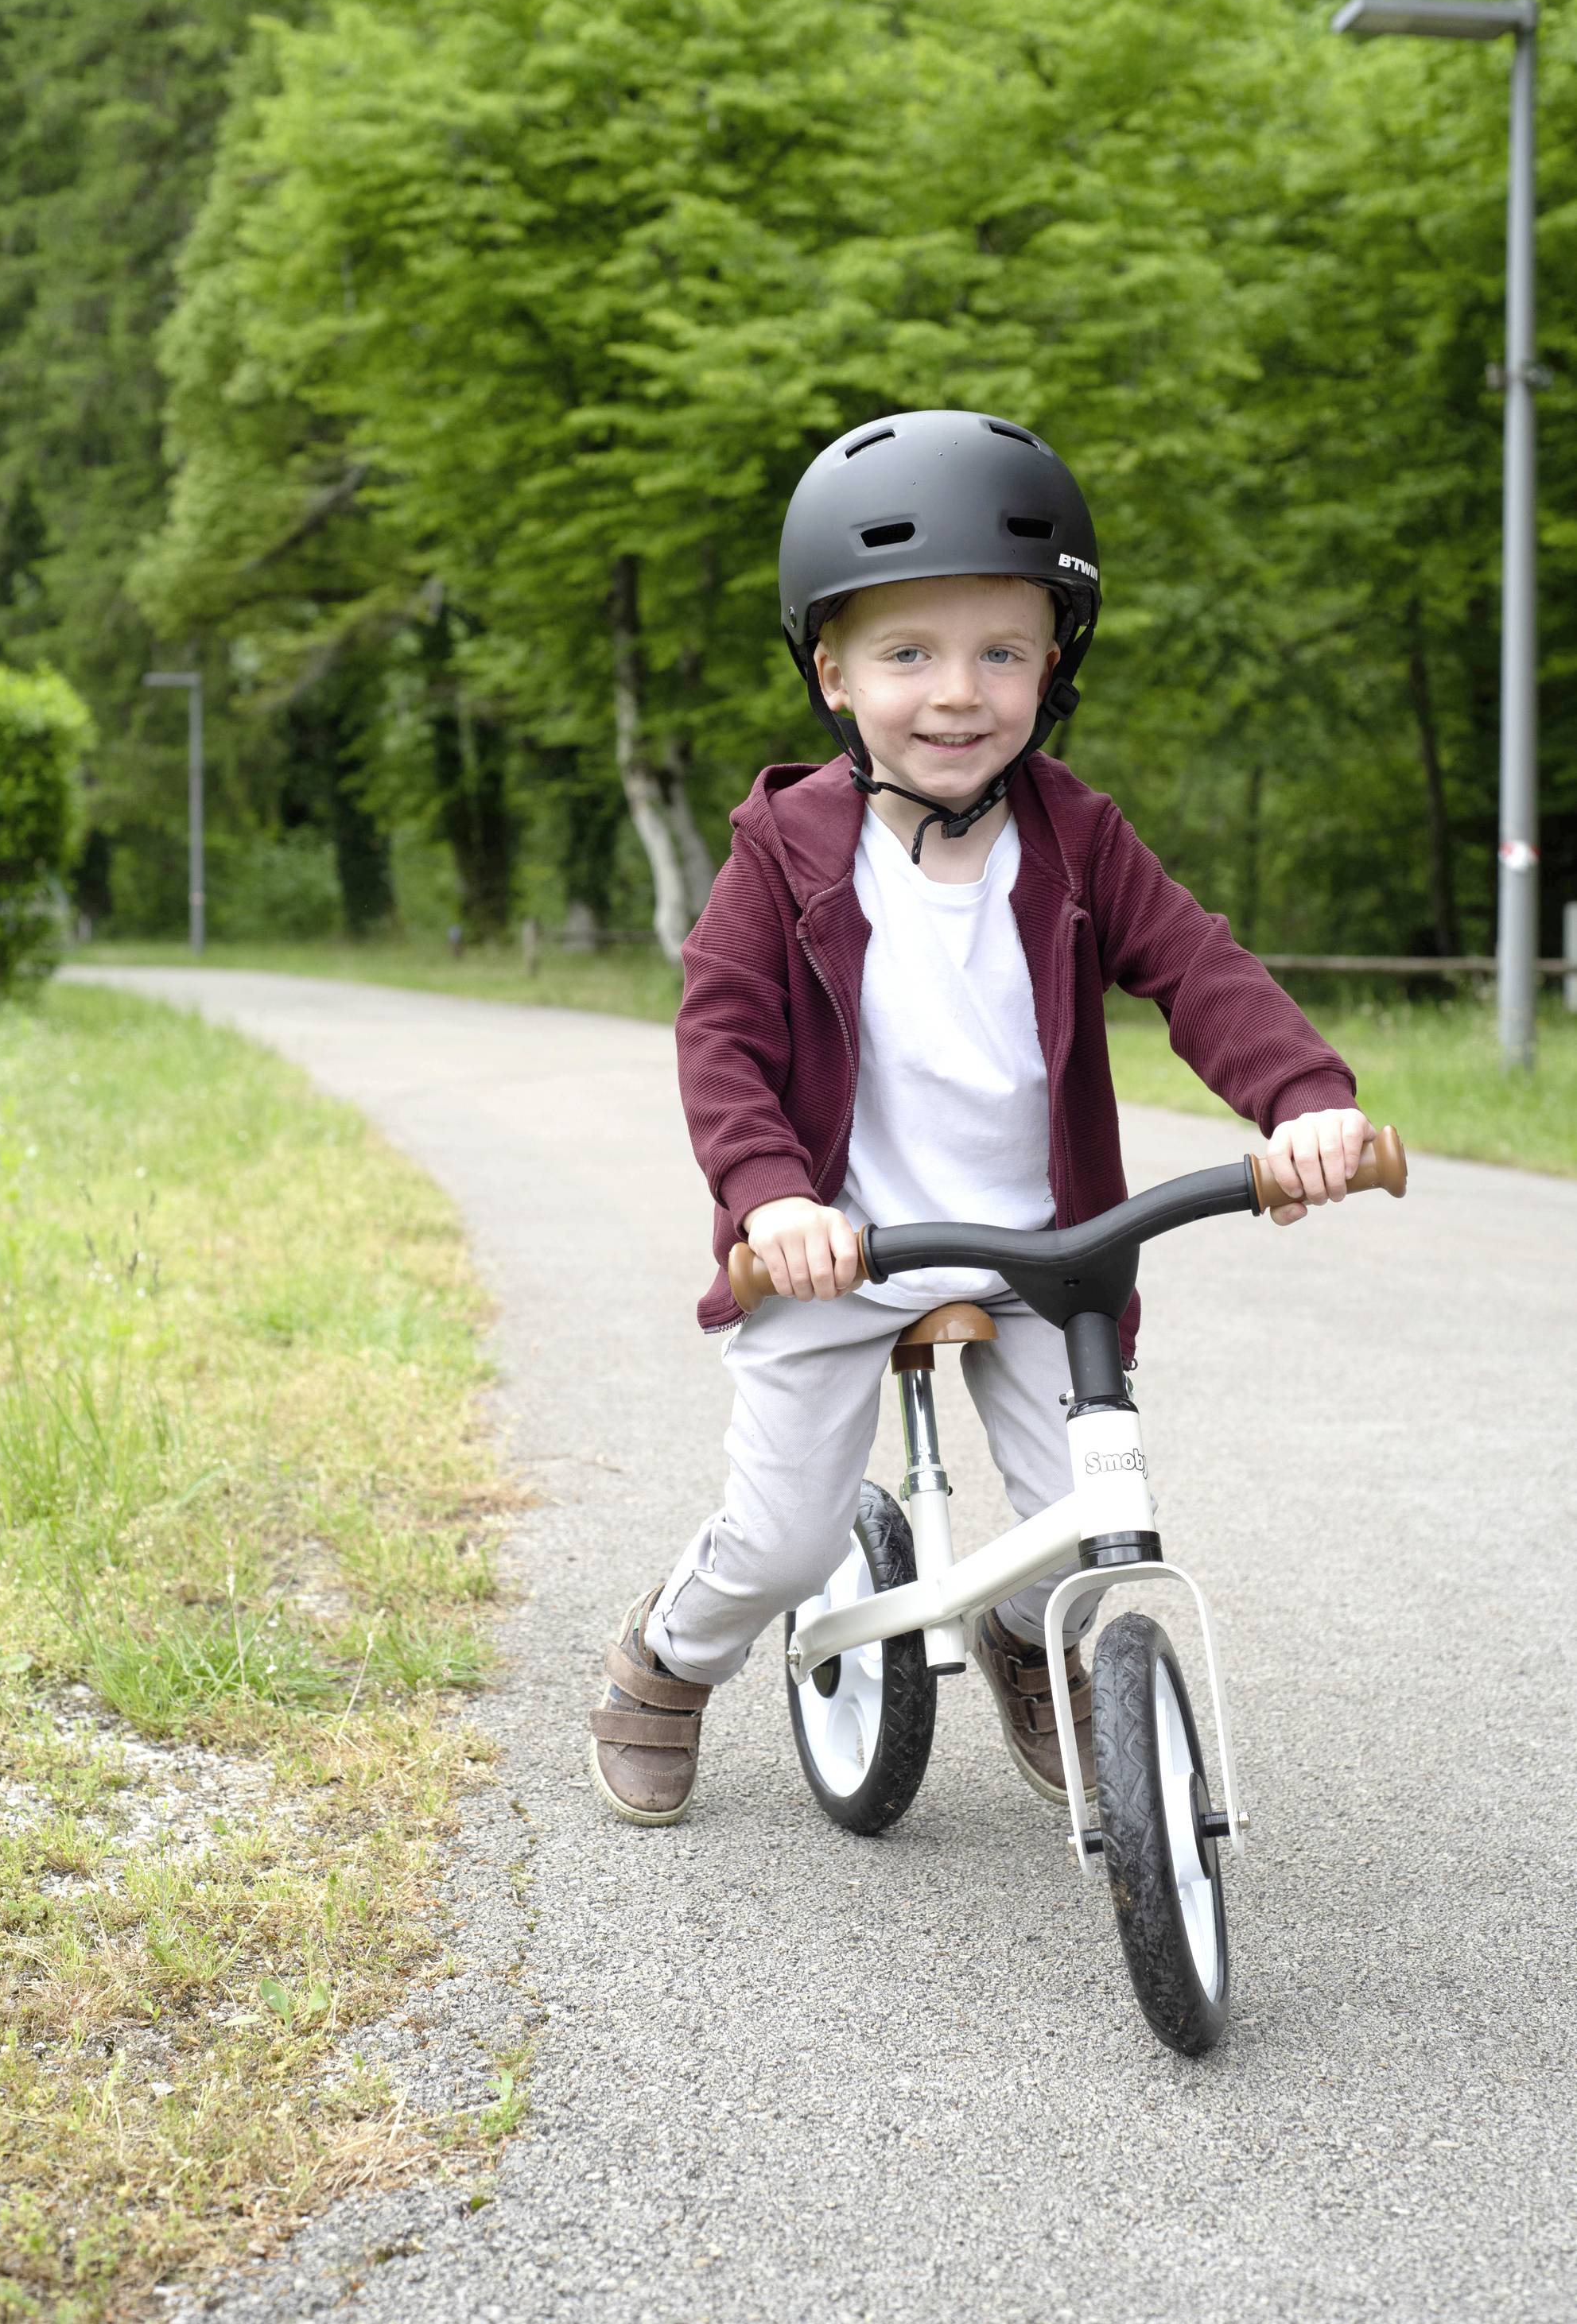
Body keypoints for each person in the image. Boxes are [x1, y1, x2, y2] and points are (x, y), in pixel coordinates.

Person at [587, 408, 1371, 1827]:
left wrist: (1305, 1098)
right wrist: (772, 1196)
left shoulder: (1078, 838)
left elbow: (1200, 969)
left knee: (1094, 1514)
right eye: (909, 655)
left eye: (1002, 653)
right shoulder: (785, 853)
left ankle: (1024, 1638)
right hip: (837, 1250)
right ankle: (670, 1658)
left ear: (1052, 666)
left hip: (1040, 1255)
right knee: (782, 1542)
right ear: (832, 673)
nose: (958, 695)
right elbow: (723, 1038)